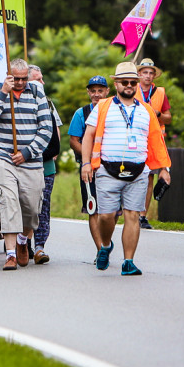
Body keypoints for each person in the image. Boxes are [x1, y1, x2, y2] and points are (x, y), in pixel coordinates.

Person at [81, 62, 172, 276]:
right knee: (106, 216)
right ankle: (105, 245)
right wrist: (86, 164)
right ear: (116, 83)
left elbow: (157, 142)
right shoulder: (103, 106)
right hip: (107, 170)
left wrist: (164, 169)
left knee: (133, 215)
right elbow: (88, 136)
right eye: (124, 82)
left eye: (133, 82)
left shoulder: (147, 110)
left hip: (139, 171)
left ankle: (128, 261)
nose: (129, 85)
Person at [0, 58, 53, 271]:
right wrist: (4, 92)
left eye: (24, 79)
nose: (21, 83)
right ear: (9, 76)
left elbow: (46, 129)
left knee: (32, 208)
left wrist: (27, 152)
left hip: (30, 160)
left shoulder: (37, 92)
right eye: (17, 79)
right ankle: (11, 253)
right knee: (8, 202)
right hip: (4, 157)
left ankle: (24, 239)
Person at [68, 76, 109, 251]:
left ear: (107, 91)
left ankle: (106, 241)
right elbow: (74, 140)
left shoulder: (113, 110)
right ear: (88, 92)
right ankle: (100, 249)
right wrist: (90, 157)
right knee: (93, 208)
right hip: (88, 167)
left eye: (100, 90)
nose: (97, 94)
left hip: (110, 167)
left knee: (111, 212)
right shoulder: (81, 113)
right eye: (93, 91)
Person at [29, 65, 63, 264]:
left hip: (46, 165)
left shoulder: (48, 104)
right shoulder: (18, 104)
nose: (42, 83)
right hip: (23, 165)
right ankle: (22, 243)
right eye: (37, 80)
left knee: (44, 207)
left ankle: (39, 246)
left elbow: (55, 133)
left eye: (42, 79)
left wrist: (52, 151)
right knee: (26, 205)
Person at [135, 58, 172, 230]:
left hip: (154, 139)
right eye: (145, 73)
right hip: (136, 137)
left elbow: (169, 118)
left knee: (149, 177)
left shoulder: (160, 93)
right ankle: (131, 211)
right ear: (139, 74)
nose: (148, 76)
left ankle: (143, 215)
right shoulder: (131, 89)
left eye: (151, 73)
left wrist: (158, 114)